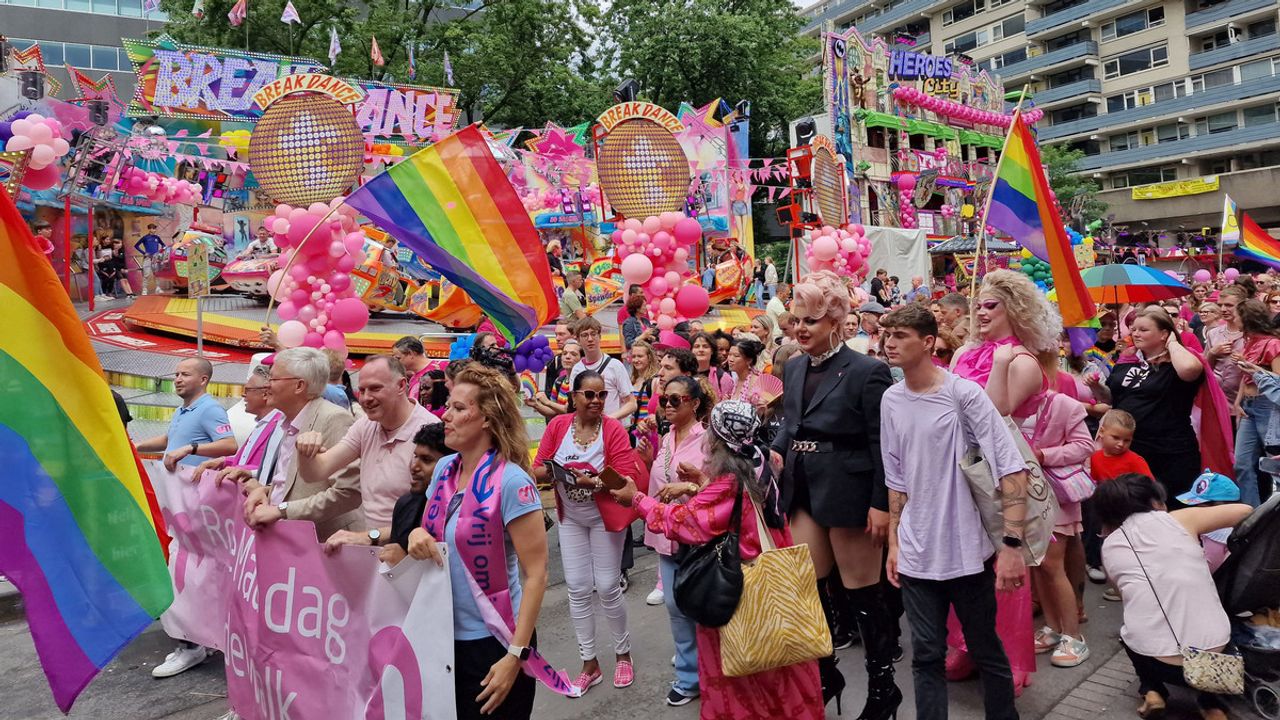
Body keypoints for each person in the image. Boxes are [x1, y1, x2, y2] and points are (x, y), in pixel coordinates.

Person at [613, 400, 826, 720]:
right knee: (782, 671)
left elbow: (683, 522)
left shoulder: (728, 485)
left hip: (741, 593)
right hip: (776, 591)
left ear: (718, 438)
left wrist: (637, 500)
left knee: (744, 678)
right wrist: (701, 480)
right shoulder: (758, 462)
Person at [879, 303, 1027, 720]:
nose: (889, 342)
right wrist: (894, 541)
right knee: (925, 654)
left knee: (984, 648)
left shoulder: (963, 394)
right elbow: (896, 478)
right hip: (915, 549)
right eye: (887, 334)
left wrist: (1012, 544)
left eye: (900, 335)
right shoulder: (891, 399)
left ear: (928, 343)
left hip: (967, 549)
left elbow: (1010, 468)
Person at [770, 270, 898, 717]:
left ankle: (884, 689)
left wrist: (882, 504)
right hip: (803, 486)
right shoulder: (793, 366)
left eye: (811, 321)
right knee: (806, 586)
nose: (800, 329)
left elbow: (883, 444)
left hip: (851, 489)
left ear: (838, 321)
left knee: (863, 591)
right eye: (797, 320)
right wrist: (774, 451)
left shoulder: (869, 371)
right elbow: (791, 423)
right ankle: (827, 673)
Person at [407, 364, 556, 719]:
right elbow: (431, 529)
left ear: (487, 419)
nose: (446, 415)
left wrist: (514, 656)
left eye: (460, 409)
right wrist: (416, 533)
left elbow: (537, 575)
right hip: (443, 639)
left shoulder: (512, 482)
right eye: (450, 407)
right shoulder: (445, 471)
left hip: (497, 642)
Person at [949, 269, 1061, 692]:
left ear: (1013, 310)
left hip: (1003, 473)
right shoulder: (962, 355)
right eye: (977, 305)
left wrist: (998, 361)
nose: (979, 312)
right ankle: (963, 645)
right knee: (962, 559)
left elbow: (995, 412)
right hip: (961, 467)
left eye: (989, 305)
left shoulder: (1023, 361)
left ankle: (1010, 658)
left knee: (1006, 562)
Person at [1095, 475, 1251, 720]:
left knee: (1130, 628)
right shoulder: (1179, 518)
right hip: (1218, 660)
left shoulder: (1109, 545)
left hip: (1160, 663)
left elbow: (1123, 595)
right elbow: (1245, 510)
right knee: (1216, 623)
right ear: (1154, 500)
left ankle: (1153, 690)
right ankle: (1211, 704)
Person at [532, 370, 646, 693]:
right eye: (589, 395)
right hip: (570, 517)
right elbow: (539, 467)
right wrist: (556, 474)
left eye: (602, 396)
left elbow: (624, 480)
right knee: (578, 588)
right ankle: (589, 662)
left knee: (608, 585)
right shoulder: (557, 427)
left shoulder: (612, 430)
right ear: (574, 397)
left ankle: (623, 655)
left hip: (603, 516)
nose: (597, 401)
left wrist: (593, 481)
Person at [135, 357, 239, 679]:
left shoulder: (209, 409)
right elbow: (170, 441)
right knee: (190, 572)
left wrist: (190, 449)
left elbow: (230, 445)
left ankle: (190, 646)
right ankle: (197, 638)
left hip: (197, 506)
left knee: (190, 572)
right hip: (181, 508)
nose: (177, 379)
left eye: (185, 374)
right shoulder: (183, 410)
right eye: (176, 373)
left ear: (204, 379)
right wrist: (135, 448)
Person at [1091, 308, 1225, 508]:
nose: (1135, 334)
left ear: (1164, 333)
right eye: (1133, 329)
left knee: (1172, 510)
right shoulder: (1128, 359)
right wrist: (1096, 387)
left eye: (1143, 330)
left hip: (1170, 452)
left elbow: (1190, 371)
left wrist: (1172, 344)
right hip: (1130, 449)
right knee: (1132, 508)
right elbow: (1113, 397)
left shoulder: (1181, 360)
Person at [228, 349, 365, 541]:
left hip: (323, 547)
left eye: (273, 379)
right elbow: (293, 483)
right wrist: (267, 491)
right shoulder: (286, 421)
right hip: (290, 545)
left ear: (299, 385)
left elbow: (347, 492)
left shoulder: (333, 419)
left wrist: (280, 510)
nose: (267, 385)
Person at [293, 355, 440, 531]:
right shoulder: (366, 425)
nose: (366, 398)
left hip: (407, 551)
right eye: (361, 391)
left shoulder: (428, 431)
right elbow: (316, 472)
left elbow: (431, 516)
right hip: (372, 549)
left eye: (375, 389)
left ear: (401, 386)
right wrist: (305, 451)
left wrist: (370, 537)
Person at [634, 375, 710, 704]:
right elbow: (659, 479)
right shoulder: (667, 438)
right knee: (674, 605)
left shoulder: (707, 441)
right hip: (668, 533)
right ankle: (690, 676)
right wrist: (649, 456)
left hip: (697, 537)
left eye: (675, 400)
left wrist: (693, 486)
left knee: (702, 607)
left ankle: (712, 671)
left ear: (694, 404)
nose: (666, 405)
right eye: (665, 399)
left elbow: (720, 489)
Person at [1024, 356, 1095, 667]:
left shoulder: (1065, 404)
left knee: (1052, 566)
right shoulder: (1004, 405)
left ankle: (1073, 635)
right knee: (1036, 564)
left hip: (1056, 495)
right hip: (1022, 497)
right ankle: (1052, 628)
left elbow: (1084, 446)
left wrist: (1043, 455)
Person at [366, 422, 448, 567]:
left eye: (427, 460)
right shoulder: (405, 504)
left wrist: (404, 564)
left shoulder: (459, 513)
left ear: (450, 464)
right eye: (415, 457)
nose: (414, 467)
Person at [1086, 409, 1153, 585]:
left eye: (1127, 440)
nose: (1121, 444)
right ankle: (1095, 563)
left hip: (1126, 507)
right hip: (1101, 505)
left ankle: (1125, 573)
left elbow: (1148, 484)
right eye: (1116, 438)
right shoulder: (1094, 457)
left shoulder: (1135, 460)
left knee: (1125, 540)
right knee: (1095, 531)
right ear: (1101, 432)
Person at [1230, 298, 1280, 507]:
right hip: (1249, 406)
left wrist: (1252, 366)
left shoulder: (1273, 343)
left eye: (1237, 315)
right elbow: (1245, 376)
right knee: (1241, 464)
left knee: (1274, 466)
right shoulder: (1248, 342)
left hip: (1268, 406)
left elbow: (1278, 378)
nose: (1233, 319)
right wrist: (1238, 402)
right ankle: (1251, 515)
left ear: (1247, 318)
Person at [568, 317, 637, 421]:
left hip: (610, 429)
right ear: (578, 340)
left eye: (593, 334)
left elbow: (631, 403)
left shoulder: (615, 365)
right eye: (585, 335)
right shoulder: (577, 369)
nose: (590, 339)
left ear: (600, 336)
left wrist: (609, 419)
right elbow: (575, 403)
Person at [1204, 286, 1246, 407]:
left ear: (1241, 306)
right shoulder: (1213, 333)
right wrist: (1212, 353)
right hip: (1218, 401)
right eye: (1220, 305)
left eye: (1229, 305)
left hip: (1245, 403)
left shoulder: (1250, 334)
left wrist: (1244, 360)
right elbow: (1205, 369)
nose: (1223, 309)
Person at [528, 339, 581, 419]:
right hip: (562, 428)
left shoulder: (583, 382)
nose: (567, 357)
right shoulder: (559, 381)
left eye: (573, 354)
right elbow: (553, 411)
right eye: (564, 353)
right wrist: (535, 404)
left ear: (581, 359)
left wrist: (547, 402)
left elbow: (569, 410)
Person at [725, 338, 767, 408]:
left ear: (749, 360)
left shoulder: (756, 382)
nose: (730, 359)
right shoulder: (737, 379)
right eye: (729, 354)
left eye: (736, 356)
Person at [392, 335, 433, 405]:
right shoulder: (413, 377)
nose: (396, 363)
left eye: (398, 358)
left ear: (411, 354)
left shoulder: (439, 369)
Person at [629, 340, 658, 433]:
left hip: (647, 431)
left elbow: (656, 409)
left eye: (640, 356)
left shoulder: (654, 381)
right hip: (633, 431)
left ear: (649, 357)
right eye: (634, 356)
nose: (636, 360)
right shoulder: (631, 380)